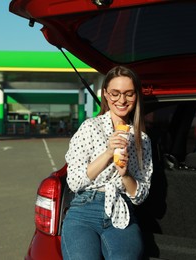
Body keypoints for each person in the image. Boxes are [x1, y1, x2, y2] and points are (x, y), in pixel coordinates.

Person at [61, 66, 153, 260]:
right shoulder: (90, 128)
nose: (122, 100)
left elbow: (140, 195)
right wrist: (108, 153)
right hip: (84, 210)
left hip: (122, 211)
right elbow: (75, 182)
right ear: (105, 94)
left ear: (136, 96)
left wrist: (125, 174)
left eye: (128, 94)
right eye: (115, 93)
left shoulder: (142, 139)